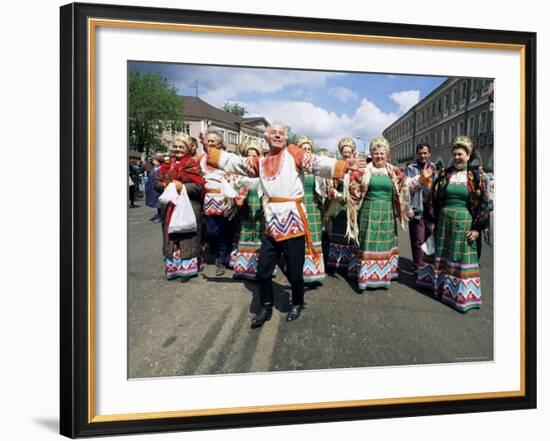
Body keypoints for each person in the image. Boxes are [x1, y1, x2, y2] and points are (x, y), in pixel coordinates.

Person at [203, 124, 366, 326]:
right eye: (274, 132)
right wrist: (212, 153)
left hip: (292, 221)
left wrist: (342, 165)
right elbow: (236, 162)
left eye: (281, 133)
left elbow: (316, 162)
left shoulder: (293, 153)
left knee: (295, 273)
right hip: (271, 223)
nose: (278, 135)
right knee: (263, 271)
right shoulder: (260, 162)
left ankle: (297, 302)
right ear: (266, 138)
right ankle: (265, 306)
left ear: (286, 137)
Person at [346, 136, 432, 291]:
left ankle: (382, 276)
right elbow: (353, 188)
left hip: (387, 214)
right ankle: (365, 277)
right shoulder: (364, 170)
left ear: (387, 154)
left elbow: (406, 184)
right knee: (368, 243)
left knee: (385, 244)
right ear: (372, 154)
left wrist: (421, 179)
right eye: (376, 153)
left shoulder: (393, 171)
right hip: (368, 213)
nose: (379, 156)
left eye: (382, 153)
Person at [417, 135, 490, 312]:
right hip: (443, 223)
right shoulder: (444, 175)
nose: (457, 157)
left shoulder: (476, 177)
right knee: (442, 255)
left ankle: (460, 296)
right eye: (455, 154)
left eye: (461, 154)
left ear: (469, 155)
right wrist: (432, 221)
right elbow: (433, 198)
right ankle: (441, 289)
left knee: (460, 257)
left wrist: (477, 229)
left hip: (464, 224)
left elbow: (483, 203)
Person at [155, 133, 205, 282]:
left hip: (189, 206)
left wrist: (182, 187)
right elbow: (156, 183)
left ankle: (188, 269)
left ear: (188, 148)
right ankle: (174, 268)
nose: (177, 149)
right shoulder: (166, 165)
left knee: (187, 236)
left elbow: (199, 187)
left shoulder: (193, 165)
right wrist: (165, 186)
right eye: (175, 146)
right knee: (171, 237)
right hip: (169, 207)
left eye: (181, 147)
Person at [201, 128, 235, 276]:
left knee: (223, 232)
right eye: (208, 141)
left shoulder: (226, 159)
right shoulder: (202, 158)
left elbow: (234, 178)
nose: (210, 143)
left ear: (220, 144)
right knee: (210, 231)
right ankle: (221, 251)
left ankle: (222, 260)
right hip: (208, 200)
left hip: (223, 200)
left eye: (213, 141)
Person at [231, 139, 265, 279]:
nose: (251, 158)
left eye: (254, 155)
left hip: (259, 206)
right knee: (244, 231)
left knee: (259, 233)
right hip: (245, 205)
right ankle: (244, 268)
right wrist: (237, 193)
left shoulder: (263, 170)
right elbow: (234, 186)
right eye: (248, 155)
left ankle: (260, 268)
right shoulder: (241, 171)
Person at [296, 135, 325, 285]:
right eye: (303, 148)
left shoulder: (316, 169)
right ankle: (298, 270)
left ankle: (314, 271)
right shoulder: (294, 167)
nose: (306, 151)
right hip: (298, 204)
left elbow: (323, 189)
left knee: (313, 237)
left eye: (309, 149)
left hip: (313, 206)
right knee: (298, 237)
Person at [325, 137, 357, 273]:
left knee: (350, 234)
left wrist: (354, 197)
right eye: (345, 151)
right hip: (337, 206)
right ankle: (335, 262)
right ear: (341, 153)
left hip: (351, 207)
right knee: (336, 232)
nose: (347, 154)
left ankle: (349, 262)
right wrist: (338, 197)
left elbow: (361, 187)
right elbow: (329, 188)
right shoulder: (336, 169)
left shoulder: (357, 169)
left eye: (349, 151)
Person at [405, 143, 435, 274]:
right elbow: (406, 189)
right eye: (420, 153)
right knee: (418, 239)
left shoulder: (433, 168)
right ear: (417, 154)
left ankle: (427, 266)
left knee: (429, 239)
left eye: (425, 153)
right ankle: (418, 266)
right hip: (416, 208)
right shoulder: (411, 168)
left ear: (429, 154)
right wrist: (408, 207)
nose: (423, 156)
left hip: (430, 209)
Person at [145, 153, 164, 222]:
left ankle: (161, 217)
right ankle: (160, 215)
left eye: (155, 160)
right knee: (156, 203)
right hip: (152, 187)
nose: (153, 162)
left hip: (159, 188)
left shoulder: (162, 168)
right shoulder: (153, 168)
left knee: (159, 203)